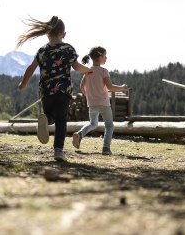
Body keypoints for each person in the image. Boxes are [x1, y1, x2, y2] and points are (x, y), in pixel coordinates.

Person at [17, 16, 92, 162]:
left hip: (46, 91)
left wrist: (23, 83)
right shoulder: (67, 48)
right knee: (61, 120)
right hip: (63, 91)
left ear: (47, 33)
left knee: (50, 116)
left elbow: (31, 68)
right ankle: (58, 151)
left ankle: (46, 120)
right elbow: (76, 67)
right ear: (63, 34)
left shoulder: (42, 50)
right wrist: (87, 70)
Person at [72, 46, 128, 155]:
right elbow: (110, 87)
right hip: (103, 103)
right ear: (101, 56)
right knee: (109, 125)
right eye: (105, 55)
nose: (106, 57)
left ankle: (79, 134)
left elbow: (82, 86)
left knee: (93, 123)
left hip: (92, 103)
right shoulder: (103, 71)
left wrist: (88, 95)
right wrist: (122, 87)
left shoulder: (88, 71)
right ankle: (106, 148)